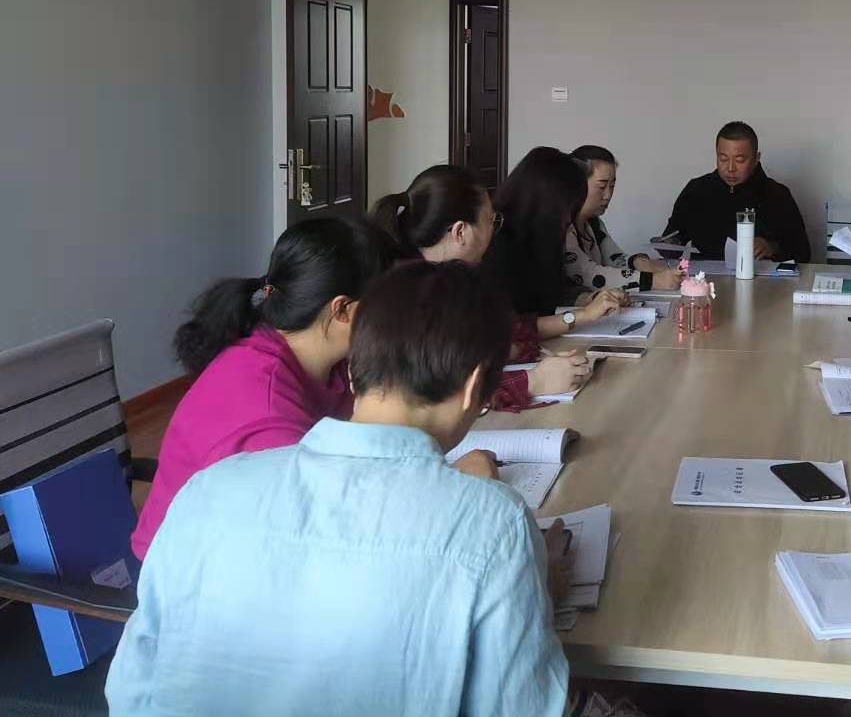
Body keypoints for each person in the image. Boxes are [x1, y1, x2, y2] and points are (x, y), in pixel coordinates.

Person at [107, 259, 570, 717]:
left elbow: (130, 691)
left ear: (352, 371)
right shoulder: (495, 525)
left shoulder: (206, 489)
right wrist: (537, 593)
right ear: (473, 389)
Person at [129, 217, 398, 560]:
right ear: (342, 309)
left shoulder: (322, 363)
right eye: (386, 306)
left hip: (251, 544)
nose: (393, 319)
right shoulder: (266, 411)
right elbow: (323, 526)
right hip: (187, 575)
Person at [370, 163, 594, 409]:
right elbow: (434, 396)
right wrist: (533, 381)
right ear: (460, 232)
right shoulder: (410, 296)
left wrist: (516, 350)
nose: (494, 230)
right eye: (491, 220)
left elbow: (507, 331)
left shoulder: (453, 280)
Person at [488, 147, 624, 342]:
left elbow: (554, 290)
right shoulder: (496, 243)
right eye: (565, 211)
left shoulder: (543, 237)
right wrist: (581, 316)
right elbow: (508, 329)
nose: (568, 220)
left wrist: (589, 299)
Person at [662, 121, 811, 262]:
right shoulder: (696, 190)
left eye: (739, 160)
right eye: (723, 159)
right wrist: (668, 244)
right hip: (705, 277)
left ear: (756, 158)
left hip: (760, 278)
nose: (730, 168)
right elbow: (671, 240)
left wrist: (772, 248)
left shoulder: (777, 195)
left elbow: (803, 254)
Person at [566, 146, 681, 294]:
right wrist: (652, 280)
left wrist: (639, 262)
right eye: (602, 186)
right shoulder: (563, 226)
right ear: (577, 184)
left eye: (612, 186)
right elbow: (588, 275)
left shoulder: (594, 223)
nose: (608, 195)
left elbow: (613, 258)